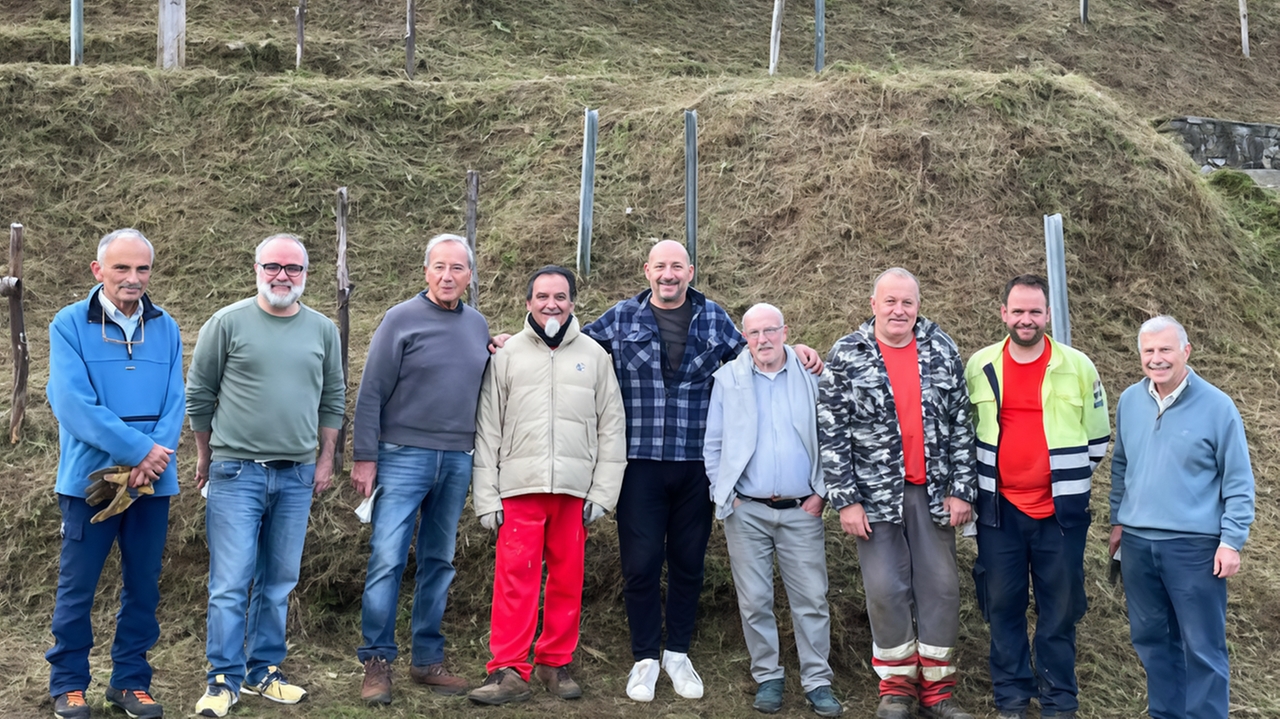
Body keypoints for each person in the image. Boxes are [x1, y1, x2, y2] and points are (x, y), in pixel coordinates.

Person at [581, 240, 823, 702]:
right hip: (640, 465)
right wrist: (515, 342)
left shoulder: (714, 319)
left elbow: (759, 356)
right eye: (660, 267)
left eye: (677, 266)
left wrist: (800, 352)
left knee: (689, 563)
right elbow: (571, 351)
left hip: (696, 466)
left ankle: (678, 652)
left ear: (690, 271)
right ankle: (645, 658)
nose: (668, 275)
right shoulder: (619, 318)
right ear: (646, 270)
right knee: (641, 563)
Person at [186, 233, 345, 718]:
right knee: (231, 582)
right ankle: (222, 678)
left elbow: (333, 397)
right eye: (273, 266)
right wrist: (204, 455)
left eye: (293, 269)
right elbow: (200, 394)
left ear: (305, 275)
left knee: (278, 580)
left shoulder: (321, 330)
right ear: (256, 268)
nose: (282, 276)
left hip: (296, 476)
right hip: (237, 473)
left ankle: (263, 671)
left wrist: (325, 459)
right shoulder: (227, 323)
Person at [818, 268, 976, 719]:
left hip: (934, 493)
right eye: (890, 301)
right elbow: (831, 432)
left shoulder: (942, 350)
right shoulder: (848, 355)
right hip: (874, 499)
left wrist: (963, 490)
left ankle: (938, 692)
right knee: (886, 591)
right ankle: (896, 689)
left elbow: (961, 425)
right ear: (873, 305)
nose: (898, 310)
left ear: (917, 306)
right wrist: (845, 499)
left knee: (941, 589)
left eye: (907, 302)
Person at [467, 266, 627, 705]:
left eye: (560, 296)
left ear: (573, 302)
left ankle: (554, 662)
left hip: (574, 493)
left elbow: (612, 429)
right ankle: (509, 669)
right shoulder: (506, 356)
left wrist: (602, 493)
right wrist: (486, 496)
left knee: (567, 580)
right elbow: (488, 431)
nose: (550, 304)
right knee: (514, 581)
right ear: (528, 303)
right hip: (519, 489)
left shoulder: (595, 356)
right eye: (542, 296)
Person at [45, 229, 184, 719]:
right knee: (78, 585)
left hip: (153, 481)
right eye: (122, 268)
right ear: (97, 270)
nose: (133, 278)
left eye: (142, 268)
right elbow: (73, 405)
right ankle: (67, 683)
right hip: (91, 480)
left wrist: (154, 458)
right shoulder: (68, 324)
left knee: (143, 583)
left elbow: (175, 400)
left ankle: (129, 681)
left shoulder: (165, 326)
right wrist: (142, 450)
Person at [352, 234, 493, 705]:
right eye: (439, 267)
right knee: (388, 558)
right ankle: (376, 660)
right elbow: (371, 391)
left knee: (439, 560)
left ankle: (427, 659)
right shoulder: (400, 319)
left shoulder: (477, 324)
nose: (448, 276)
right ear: (426, 272)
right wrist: (365, 457)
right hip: (401, 455)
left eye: (457, 268)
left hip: (457, 459)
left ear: (470, 275)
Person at [965, 274, 1110, 719]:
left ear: (1048, 315)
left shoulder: (1078, 366)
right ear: (1003, 314)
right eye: (1018, 311)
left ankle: (1058, 700)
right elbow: (963, 432)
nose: (1026, 320)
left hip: (1059, 516)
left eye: (1035, 312)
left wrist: (1059, 483)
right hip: (999, 513)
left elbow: (1098, 441)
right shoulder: (979, 366)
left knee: (1059, 610)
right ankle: (1011, 697)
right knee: (1003, 605)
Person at [1108, 316, 1255, 719]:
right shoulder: (1129, 401)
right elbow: (1121, 466)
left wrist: (1231, 541)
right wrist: (1117, 520)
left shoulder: (1218, 406)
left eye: (1165, 350)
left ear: (1186, 352)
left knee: (1202, 647)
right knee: (1152, 640)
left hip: (1193, 548)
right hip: (1137, 545)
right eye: (1149, 351)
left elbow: (1238, 480)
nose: (1157, 359)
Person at [704, 303, 842, 718]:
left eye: (770, 330)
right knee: (755, 599)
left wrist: (821, 493)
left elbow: (832, 435)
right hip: (747, 511)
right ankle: (768, 676)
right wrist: (725, 494)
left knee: (812, 599)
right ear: (744, 337)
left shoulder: (811, 374)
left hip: (803, 509)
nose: (762, 339)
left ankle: (817, 680)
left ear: (785, 331)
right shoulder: (728, 379)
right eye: (753, 333)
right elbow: (713, 445)